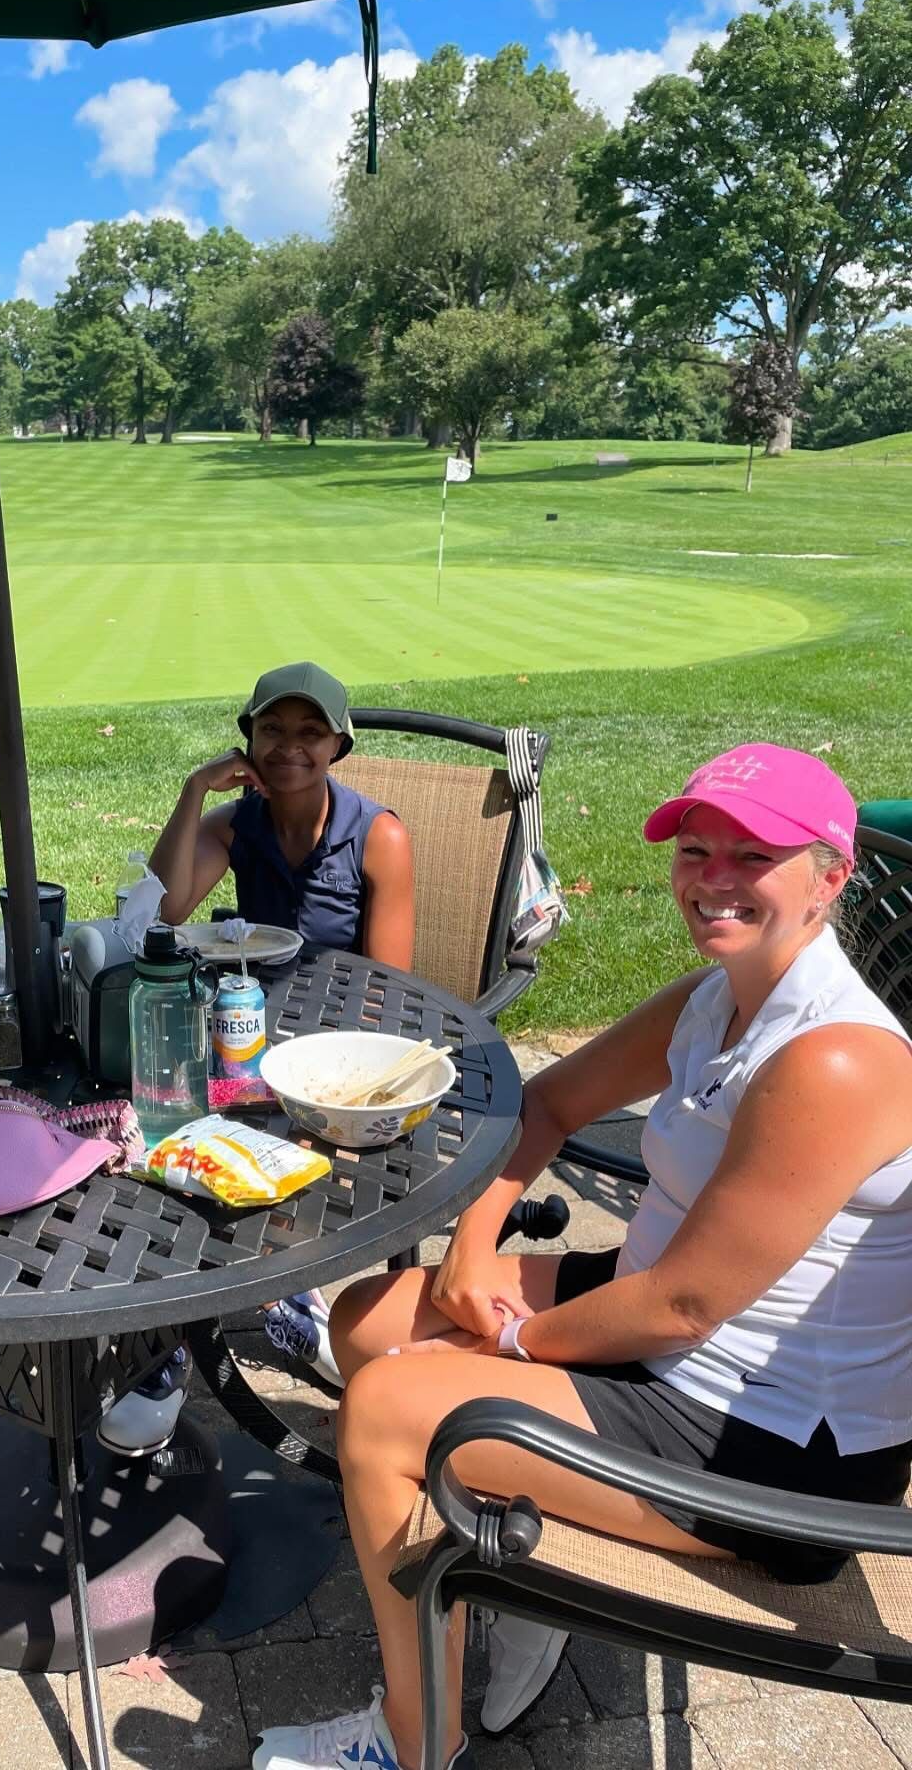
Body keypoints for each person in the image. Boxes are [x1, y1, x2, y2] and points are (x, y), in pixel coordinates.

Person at [252, 744, 912, 1770]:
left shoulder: (835, 1057)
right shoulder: (713, 999)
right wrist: (473, 1251)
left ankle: (415, 1740)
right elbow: (548, 1102)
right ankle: (507, 1536)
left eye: (757, 854)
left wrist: (509, 1344)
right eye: (698, 851)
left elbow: (685, 1306)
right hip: (670, 1329)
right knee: (366, 1320)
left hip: (769, 1441)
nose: (714, 879)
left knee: (386, 1409)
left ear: (831, 877)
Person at [97, 664, 414, 1452]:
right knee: (161, 1129)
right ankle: (166, 1340)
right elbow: (163, 913)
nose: (290, 748)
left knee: (241, 1139)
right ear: (248, 737)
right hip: (238, 1031)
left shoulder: (379, 835)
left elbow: (392, 991)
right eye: (273, 730)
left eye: (310, 733)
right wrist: (192, 794)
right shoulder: (239, 823)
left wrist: (325, 1071)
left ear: (339, 743)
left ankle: (279, 1296)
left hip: (335, 1056)